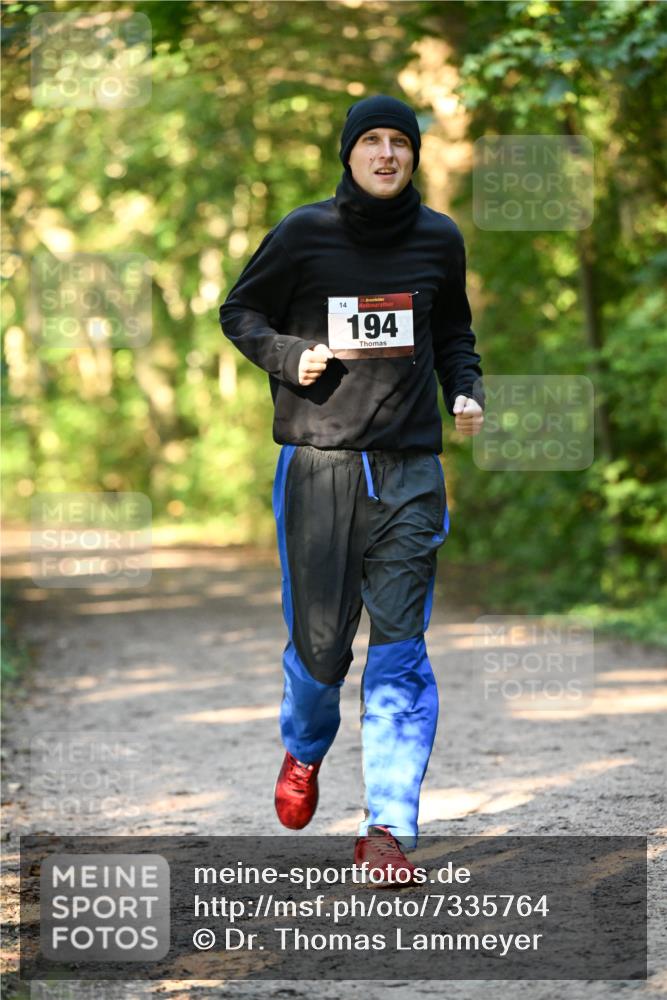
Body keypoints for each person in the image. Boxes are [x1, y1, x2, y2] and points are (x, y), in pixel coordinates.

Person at [219, 94, 484, 883]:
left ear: (412, 156)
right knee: (320, 653)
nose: (384, 154)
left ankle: (386, 827)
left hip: (410, 470)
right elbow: (239, 310)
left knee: (400, 652)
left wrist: (465, 388)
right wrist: (285, 353)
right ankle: (303, 750)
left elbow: (453, 333)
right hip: (320, 467)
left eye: (397, 142)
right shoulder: (305, 233)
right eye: (369, 140)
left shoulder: (439, 238)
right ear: (348, 154)